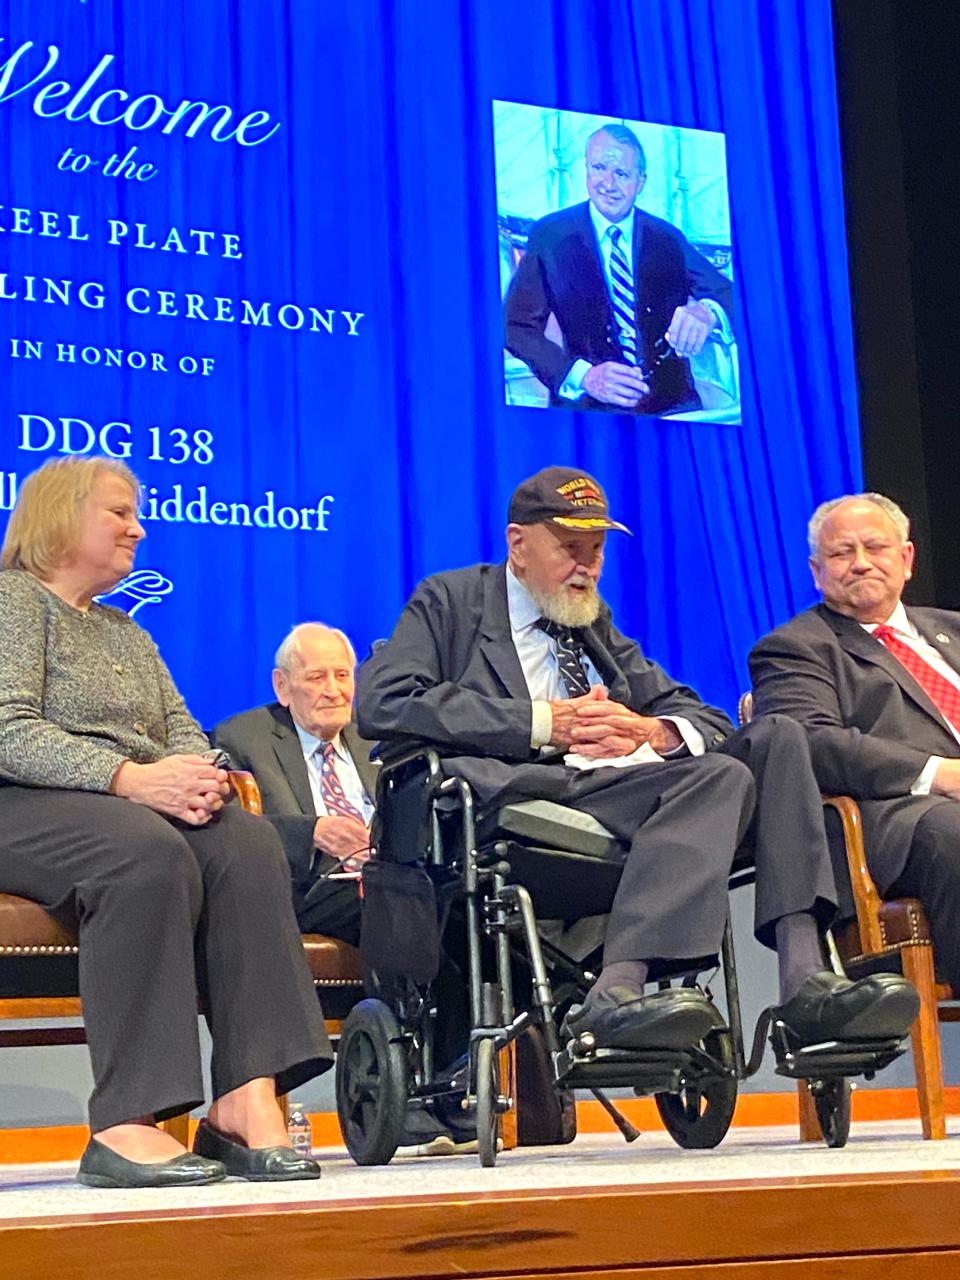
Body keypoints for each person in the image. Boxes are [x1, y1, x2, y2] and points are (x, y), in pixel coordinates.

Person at [357, 467, 917, 1059]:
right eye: (570, 548)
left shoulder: (589, 621)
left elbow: (703, 717)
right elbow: (385, 701)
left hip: (622, 790)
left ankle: (804, 979)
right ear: (518, 546)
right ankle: (616, 988)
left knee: (776, 735)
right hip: (517, 799)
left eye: (596, 550)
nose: (587, 566)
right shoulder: (453, 601)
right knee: (720, 776)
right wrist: (545, 722)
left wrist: (651, 731)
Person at [0, 457, 329, 1188]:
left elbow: (180, 729)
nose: (139, 528)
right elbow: (8, 729)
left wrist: (194, 780)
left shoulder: (127, 632)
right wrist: (132, 779)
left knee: (244, 841)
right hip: (20, 800)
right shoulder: (13, 602)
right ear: (60, 518)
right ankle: (126, 1122)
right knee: (143, 851)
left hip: (124, 803)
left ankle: (246, 1097)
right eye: (119, 513)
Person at [750, 492, 960, 991]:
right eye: (843, 553)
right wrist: (941, 773)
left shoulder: (952, 630)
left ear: (905, 559)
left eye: (875, 547)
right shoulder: (794, 648)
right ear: (816, 570)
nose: (861, 564)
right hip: (904, 817)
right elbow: (813, 743)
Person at [503, 124, 735, 416]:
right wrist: (582, 376)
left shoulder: (667, 238)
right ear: (586, 168)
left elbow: (730, 294)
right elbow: (514, 326)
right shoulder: (551, 236)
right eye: (599, 168)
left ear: (641, 182)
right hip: (587, 410)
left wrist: (708, 311)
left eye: (621, 174)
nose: (607, 184)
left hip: (672, 410)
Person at [214, 623, 378, 947]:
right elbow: (232, 828)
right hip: (310, 886)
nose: (334, 690)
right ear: (282, 686)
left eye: (342, 675)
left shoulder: (374, 736)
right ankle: (400, 1000)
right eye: (318, 678)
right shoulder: (243, 739)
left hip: (390, 877)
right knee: (391, 901)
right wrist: (313, 832)